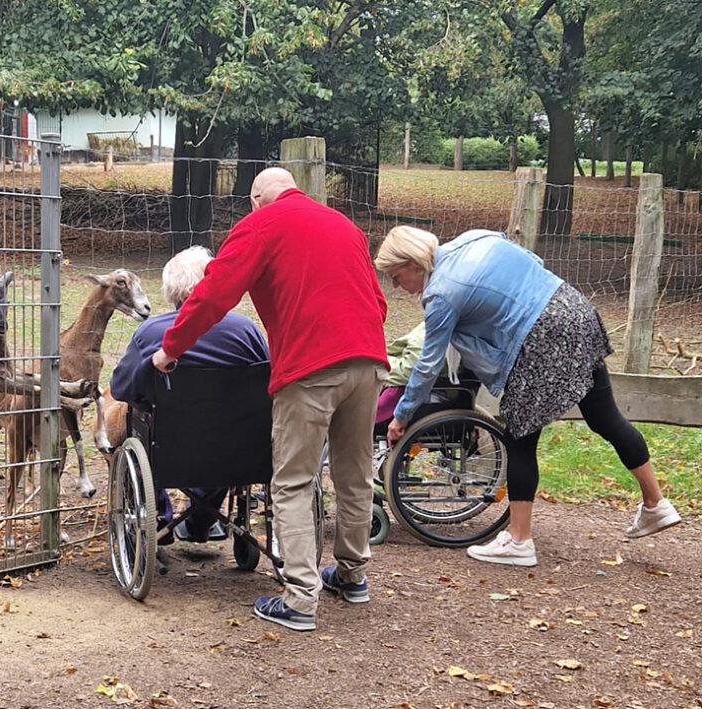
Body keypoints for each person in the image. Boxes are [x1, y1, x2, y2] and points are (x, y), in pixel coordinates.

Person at [151, 167, 389, 632]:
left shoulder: (259, 226)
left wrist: (171, 348)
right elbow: (378, 304)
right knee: (354, 475)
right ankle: (352, 575)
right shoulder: (345, 226)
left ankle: (300, 599)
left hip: (309, 368)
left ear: (257, 200)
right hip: (368, 361)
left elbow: (212, 294)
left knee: (294, 482)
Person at [374, 226, 681, 568]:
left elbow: (428, 363)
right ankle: (656, 503)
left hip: (539, 339)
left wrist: (401, 415)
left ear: (414, 264)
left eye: (396, 276)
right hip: (573, 309)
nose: (396, 286)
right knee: (605, 418)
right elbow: (531, 261)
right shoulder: (477, 238)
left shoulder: (440, 294)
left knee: (518, 437)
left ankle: (519, 541)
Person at [110, 246, 270, 543]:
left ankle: (159, 516)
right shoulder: (247, 332)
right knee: (228, 434)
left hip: (167, 447)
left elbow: (121, 388)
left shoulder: (151, 333)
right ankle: (201, 518)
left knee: (141, 426)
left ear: (172, 290)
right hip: (237, 450)